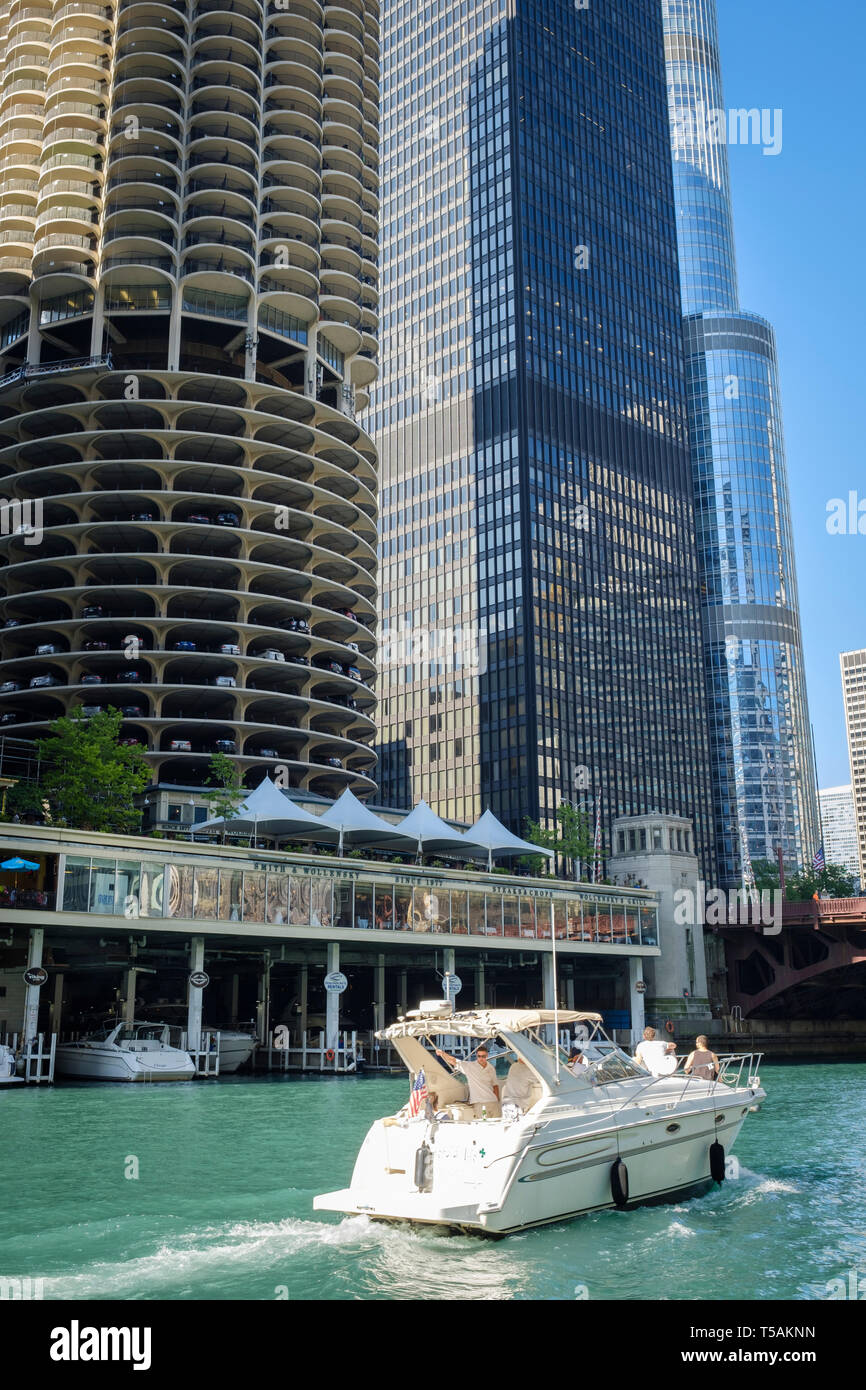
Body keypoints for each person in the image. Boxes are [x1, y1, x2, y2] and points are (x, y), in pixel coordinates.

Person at [436, 1043, 500, 1115]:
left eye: (483, 1056)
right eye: (479, 1056)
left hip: (493, 1102)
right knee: (483, 1124)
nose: (481, 1058)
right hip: (479, 1103)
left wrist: (497, 1101)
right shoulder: (470, 1067)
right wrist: (442, 1054)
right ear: (476, 1056)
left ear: (487, 1056)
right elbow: (454, 1061)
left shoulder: (491, 1068)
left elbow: (495, 1086)